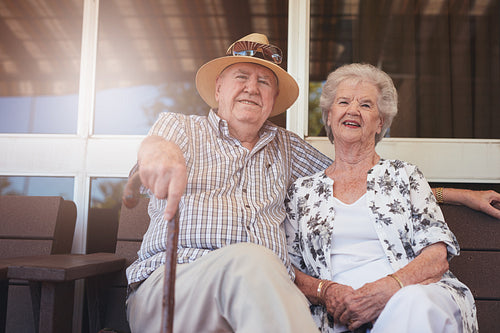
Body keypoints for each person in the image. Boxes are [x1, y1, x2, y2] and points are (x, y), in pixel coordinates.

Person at [123, 34, 498, 332]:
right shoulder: (182, 129)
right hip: (177, 288)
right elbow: (156, 150)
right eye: (241, 77)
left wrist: (460, 195)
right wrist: (159, 156)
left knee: (259, 269)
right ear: (219, 87)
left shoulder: (286, 149)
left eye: (264, 82)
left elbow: (362, 178)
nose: (252, 88)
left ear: (273, 100)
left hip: (260, 299)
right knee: (254, 261)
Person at [284, 63, 478, 333]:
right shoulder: (302, 191)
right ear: (329, 116)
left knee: (414, 303)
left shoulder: (405, 176)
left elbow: (436, 257)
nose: (353, 110)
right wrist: (325, 291)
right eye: (343, 102)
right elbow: (290, 269)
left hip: (410, 297)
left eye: (365, 105)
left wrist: (389, 289)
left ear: (380, 123)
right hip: (335, 315)